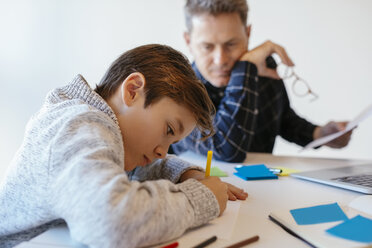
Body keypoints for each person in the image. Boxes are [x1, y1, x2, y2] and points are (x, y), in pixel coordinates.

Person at [0, 44, 248, 248]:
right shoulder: (81, 126)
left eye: (172, 143)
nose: (163, 151)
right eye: (168, 130)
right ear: (132, 90)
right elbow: (110, 222)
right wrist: (200, 199)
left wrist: (187, 174)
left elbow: (134, 170)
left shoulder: (101, 129)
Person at [169, 0, 353, 162]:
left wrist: (320, 134)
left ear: (248, 34)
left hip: (263, 192)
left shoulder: (262, 68)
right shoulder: (177, 92)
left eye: (231, 44)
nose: (221, 59)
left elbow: (283, 120)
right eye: (207, 47)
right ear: (188, 41)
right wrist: (245, 66)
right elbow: (228, 149)